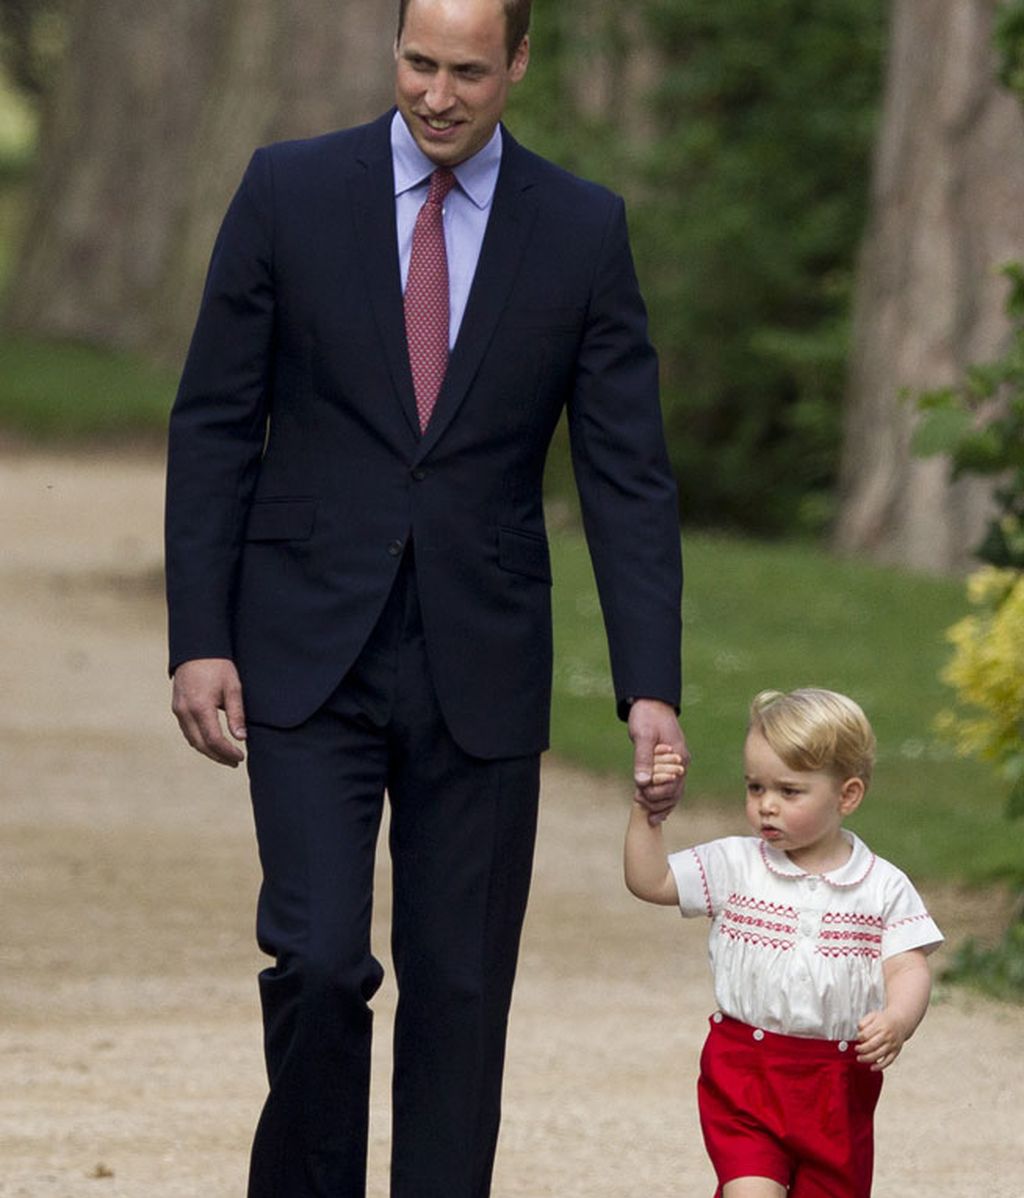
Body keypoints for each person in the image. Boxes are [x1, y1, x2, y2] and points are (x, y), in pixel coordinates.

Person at [164, 1, 688, 1194]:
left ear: (516, 65)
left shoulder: (580, 229)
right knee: (315, 956)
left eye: (465, 70)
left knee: (459, 986)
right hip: (303, 644)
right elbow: (211, 426)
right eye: (416, 63)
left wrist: (648, 683)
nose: (437, 95)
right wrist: (200, 638)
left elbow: (626, 475)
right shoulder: (285, 192)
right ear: (390, 52)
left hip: (481, 657)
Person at [624, 688, 942, 1198]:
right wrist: (648, 814)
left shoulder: (882, 886)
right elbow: (652, 880)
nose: (766, 805)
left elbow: (908, 968)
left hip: (836, 1084)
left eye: (789, 792)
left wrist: (897, 1021)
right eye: (755, 788)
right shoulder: (736, 864)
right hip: (743, 1070)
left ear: (847, 795)